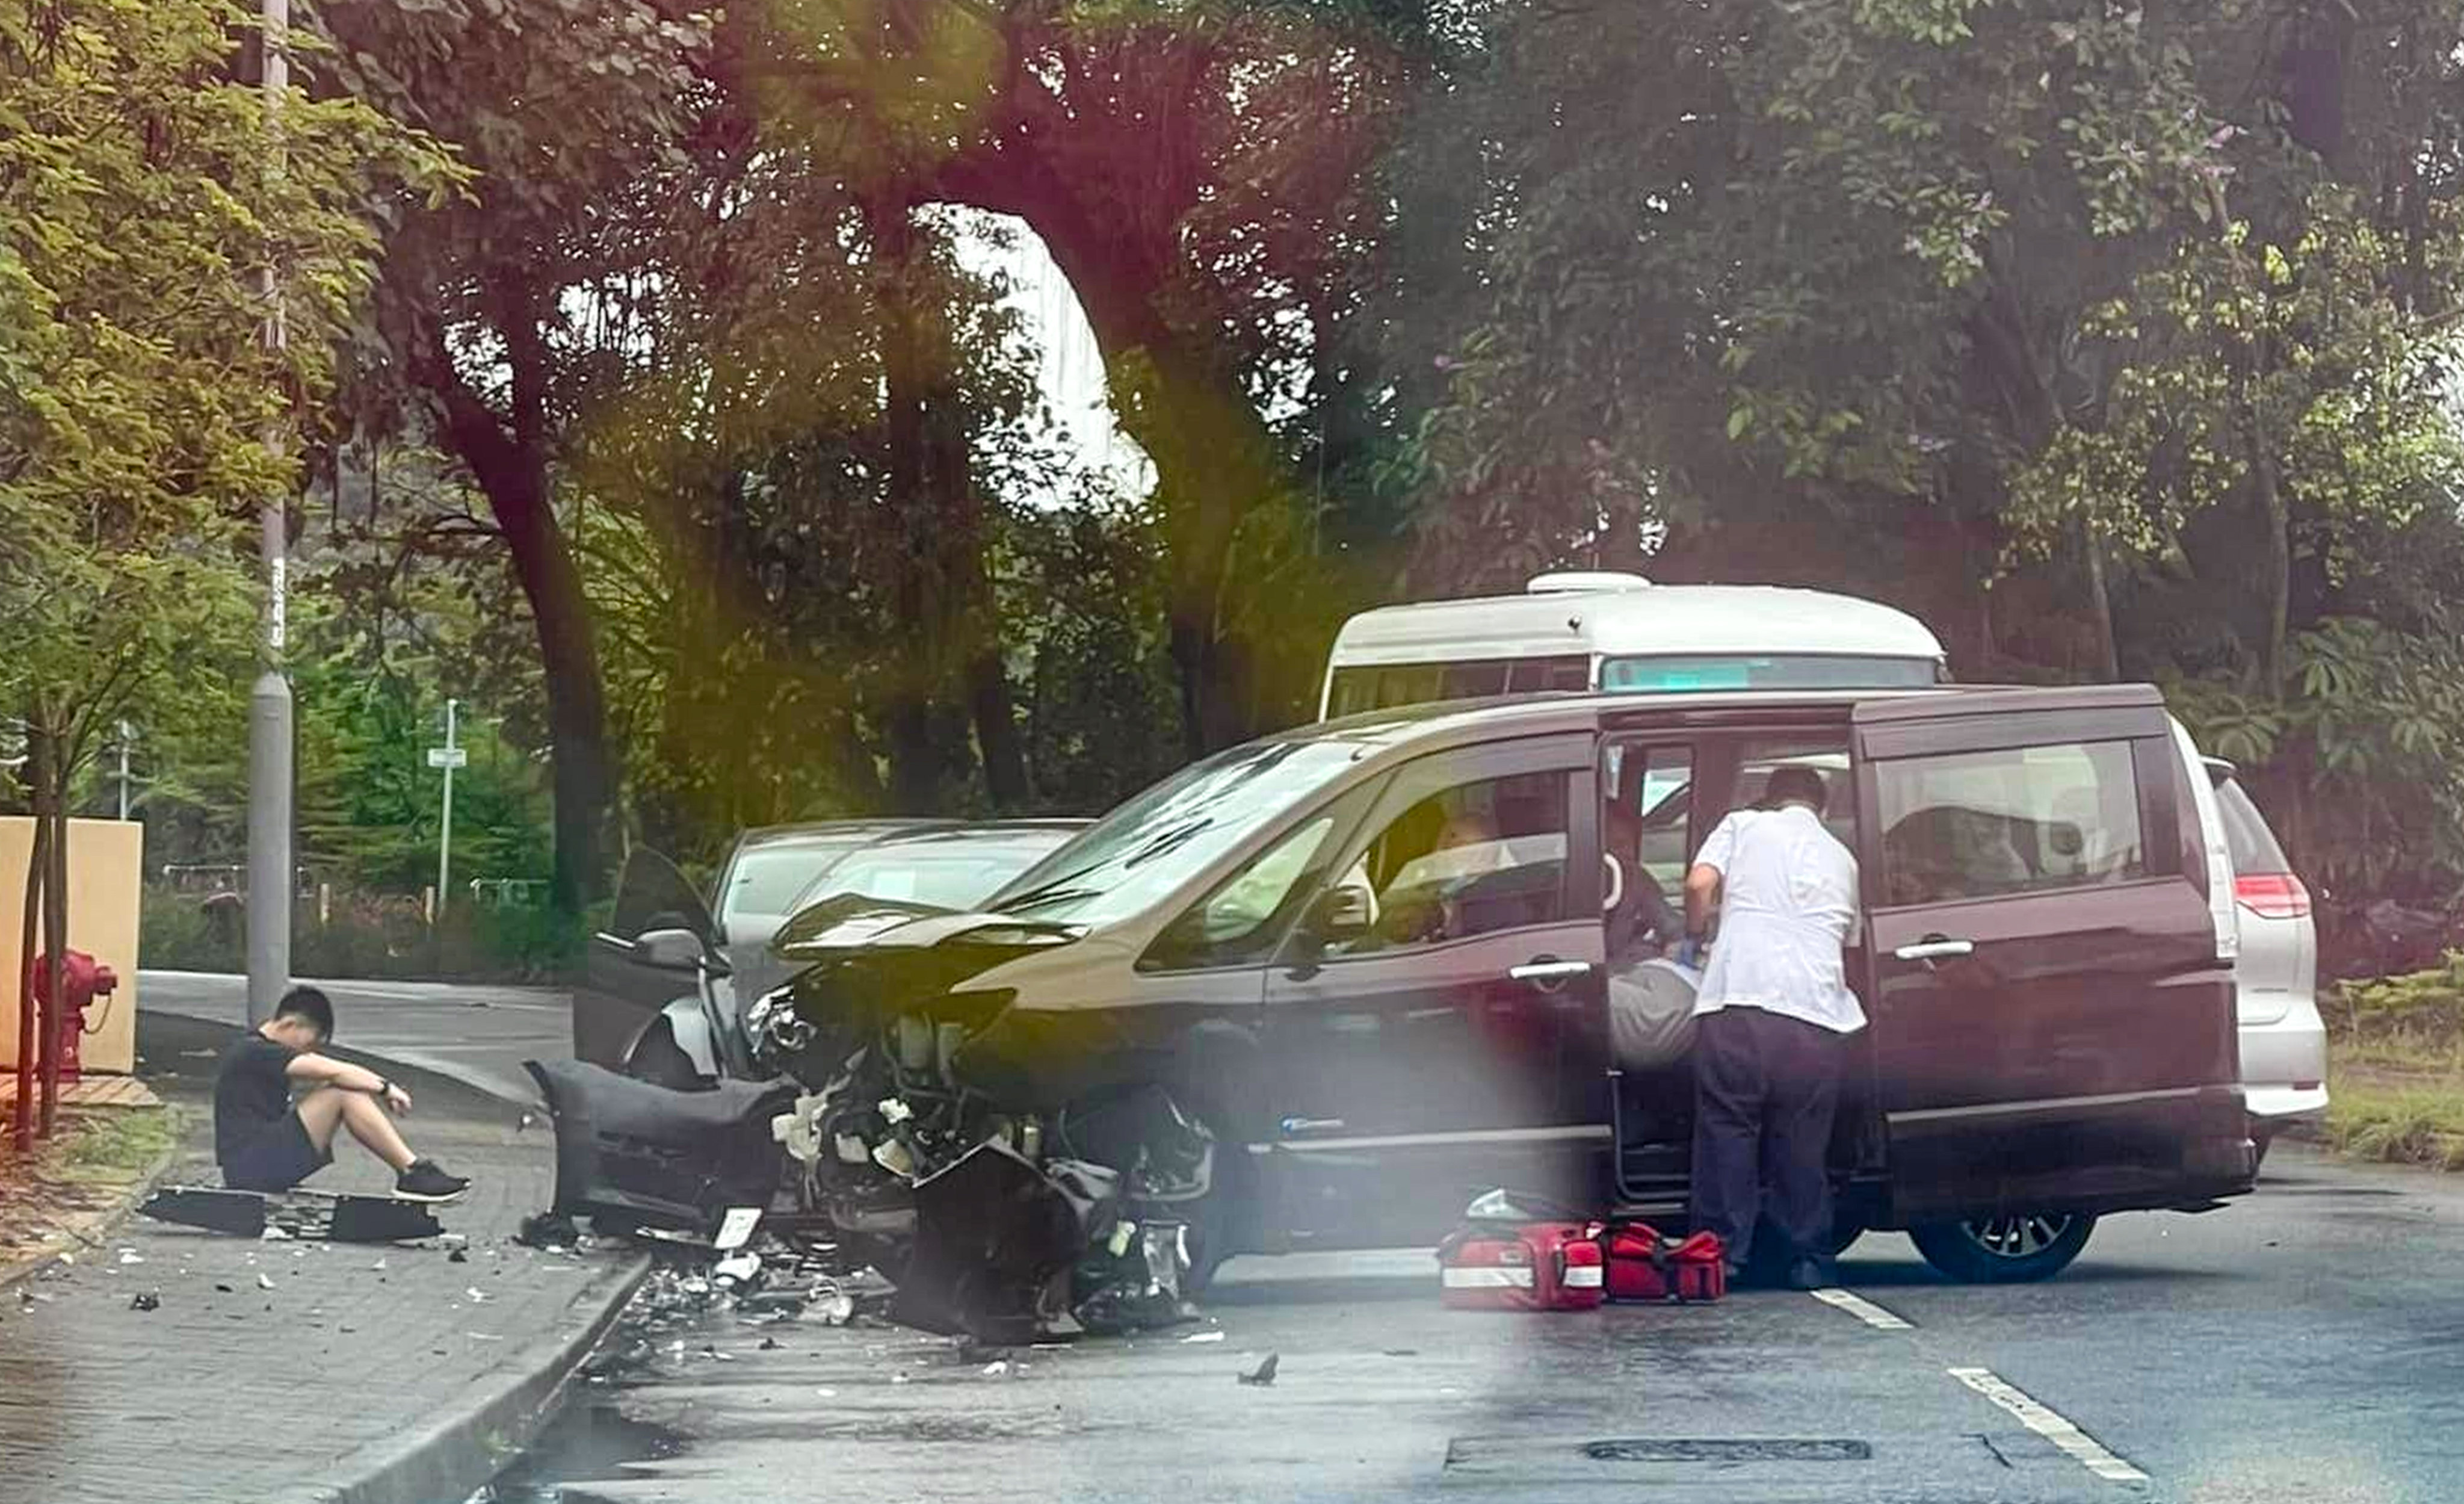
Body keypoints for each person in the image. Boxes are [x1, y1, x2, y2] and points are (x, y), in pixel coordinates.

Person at [1681, 764, 1862, 1289]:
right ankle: (1806, 1257)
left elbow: (1699, 884)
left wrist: (1694, 934)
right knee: (1801, 1139)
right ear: (1821, 808)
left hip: (1740, 995)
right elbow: (1846, 939)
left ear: (1769, 800)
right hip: (1815, 1012)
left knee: (1728, 1127)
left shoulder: (1742, 825)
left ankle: (1724, 1254)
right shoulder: (1842, 858)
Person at [212, 986, 471, 1202]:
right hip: (250, 1168)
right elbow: (337, 1072)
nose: (309, 1051)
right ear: (290, 1024)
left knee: (344, 1088)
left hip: (257, 1163)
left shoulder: (260, 1049)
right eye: (310, 1043)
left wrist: (381, 1085)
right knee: (341, 1093)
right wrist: (386, 1089)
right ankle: (412, 1172)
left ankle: (412, 1172)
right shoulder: (255, 1051)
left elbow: (336, 1069)